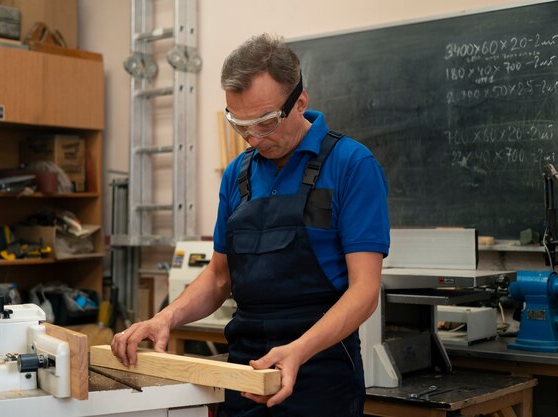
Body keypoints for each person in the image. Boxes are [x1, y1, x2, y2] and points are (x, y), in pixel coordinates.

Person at [111, 33, 390, 416]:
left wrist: (297, 352)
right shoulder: (236, 174)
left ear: (300, 102)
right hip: (243, 376)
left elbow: (365, 291)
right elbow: (219, 277)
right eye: (240, 124)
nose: (254, 138)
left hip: (319, 377)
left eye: (265, 123)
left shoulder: (352, 166)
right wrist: (165, 318)